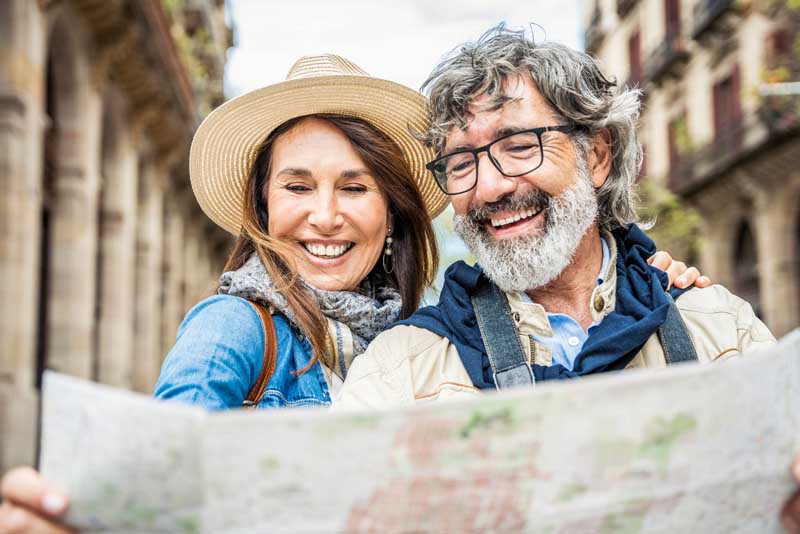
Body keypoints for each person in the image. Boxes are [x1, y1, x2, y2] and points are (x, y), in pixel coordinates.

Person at [0, 49, 708, 532]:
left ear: (392, 211)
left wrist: (657, 287)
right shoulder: (232, 326)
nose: (325, 216)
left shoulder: (420, 338)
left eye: (354, 187)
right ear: (264, 206)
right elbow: (153, 497)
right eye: (297, 186)